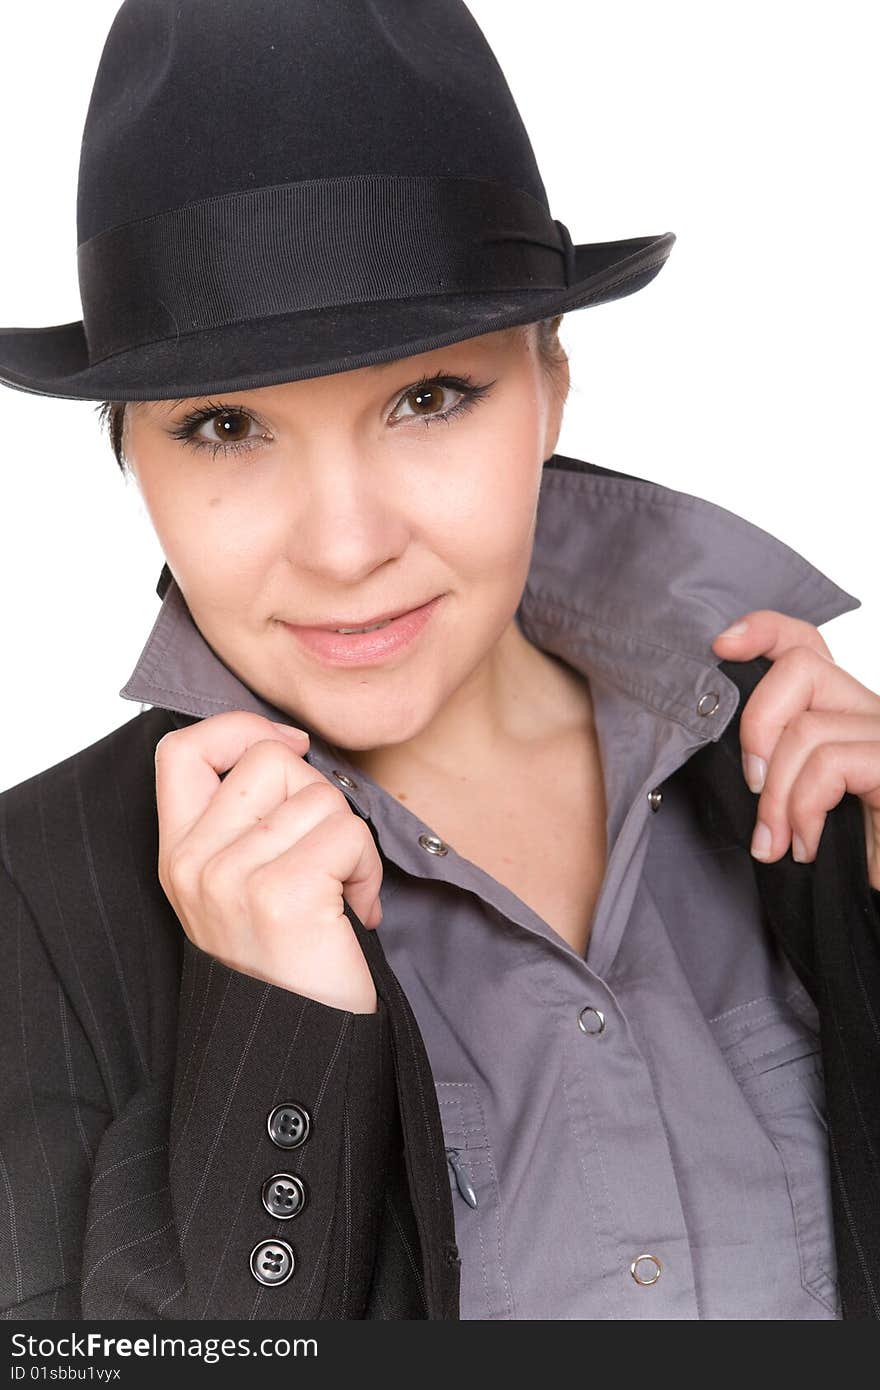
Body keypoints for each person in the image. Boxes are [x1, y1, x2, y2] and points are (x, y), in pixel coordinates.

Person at [2, 0, 880, 1322]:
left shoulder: (800, 782)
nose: (347, 545)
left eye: (427, 398)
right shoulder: (35, 905)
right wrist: (273, 1042)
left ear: (553, 387)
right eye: (228, 425)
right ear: (132, 455)